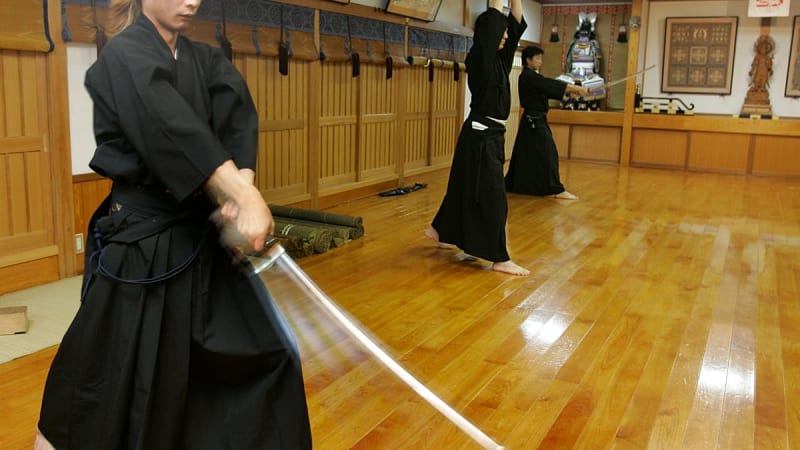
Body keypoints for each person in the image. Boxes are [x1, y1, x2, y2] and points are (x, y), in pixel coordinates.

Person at [35, 0, 312, 449]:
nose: (192, 1)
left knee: (269, 356)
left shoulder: (206, 60)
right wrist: (240, 195)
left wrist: (240, 187)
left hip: (206, 244)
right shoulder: (124, 54)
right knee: (114, 383)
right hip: (145, 248)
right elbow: (168, 124)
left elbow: (237, 121)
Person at [424, 0, 529, 276]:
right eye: (501, 32)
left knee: (464, 186)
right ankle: (499, 258)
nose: (506, 36)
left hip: (487, 135)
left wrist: (514, 2)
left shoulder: (500, 60)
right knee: (494, 197)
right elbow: (494, 20)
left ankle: (440, 231)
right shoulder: (479, 59)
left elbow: (515, 22)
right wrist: (496, 9)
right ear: (490, 33)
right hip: (480, 136)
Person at [505, 46, 588, 199]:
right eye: (537, 58)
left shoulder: (533, 77)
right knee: (548, 154)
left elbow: (546, 90)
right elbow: (548, 84)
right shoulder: (528, 76)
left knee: (525, 154)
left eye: (540, 58)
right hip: (533, 121)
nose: (540, 61)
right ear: (528, 60)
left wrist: (570, 93)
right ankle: (554, 189)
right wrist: (573, 88)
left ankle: (520, 185)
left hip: (534, 120)